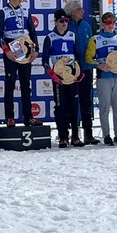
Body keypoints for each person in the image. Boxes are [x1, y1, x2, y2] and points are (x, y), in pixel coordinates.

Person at [0, 0, 42, 127]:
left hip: (26, 48)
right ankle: (10, 117)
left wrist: (36, 50)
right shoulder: (3, 12)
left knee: (25, 85)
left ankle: (28, 117)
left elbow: (32, 32)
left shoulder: (26, 11)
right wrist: (6, 51)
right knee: (10, 84)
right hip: (11, 48)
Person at [42, 9, 85, 148]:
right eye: (61, 21)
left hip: (72, 78)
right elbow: (44, 60)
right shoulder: (50, 37)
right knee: (61, 107)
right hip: (58, 79)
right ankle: (63, 136)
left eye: (66, 21)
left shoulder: (72, 35)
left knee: (73, 107)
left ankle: (75, 136)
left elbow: (78, 56)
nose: (64, 24)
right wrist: (53, 76)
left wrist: (79, 73)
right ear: (55, 22)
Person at [85, 12, 117, 146]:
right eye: (108, 23)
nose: (111, 26)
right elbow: (88, 58)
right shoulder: (95, 39)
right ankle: (106, 135)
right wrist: (100, 65)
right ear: (102, 23)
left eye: (113, 23)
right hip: (104, 77)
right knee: (104, 108)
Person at [64, 0, 100, 144]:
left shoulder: (86, 25)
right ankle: (73, 134)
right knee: (72, 103)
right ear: (72, 12)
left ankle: (88, 134)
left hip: (86, 69)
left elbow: (92, 45)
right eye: (79, 9)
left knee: (86, 101)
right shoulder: (66, 25)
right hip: (71, 71)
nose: (82, 12)